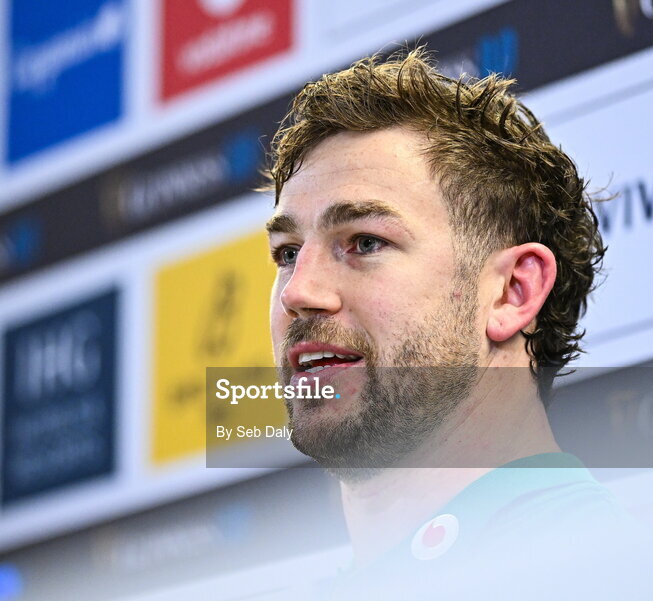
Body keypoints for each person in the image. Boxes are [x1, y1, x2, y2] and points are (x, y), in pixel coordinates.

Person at [263, 47, 626, 571]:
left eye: (365, 242)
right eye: (288, 253)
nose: (298, 292)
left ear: (512, 293)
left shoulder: (598, 579)